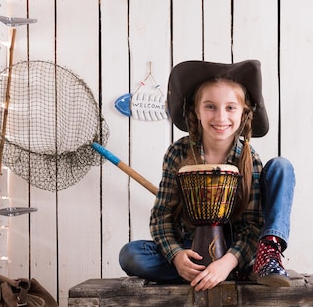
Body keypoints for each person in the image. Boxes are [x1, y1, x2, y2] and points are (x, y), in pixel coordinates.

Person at [119, 60, 295, 290]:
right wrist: (177, 256)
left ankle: (261, 257)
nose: (220, 117)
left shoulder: (249, 159)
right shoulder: (178, 153)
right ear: (196, 110)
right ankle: (214, 273)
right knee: (131, 255)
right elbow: (162, 217)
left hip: (235, 249)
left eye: (230, 107)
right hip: (192, 249)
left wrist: (227, 261)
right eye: (210, 106)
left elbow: (252, 223)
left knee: (281, 167)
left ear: (244, 112)